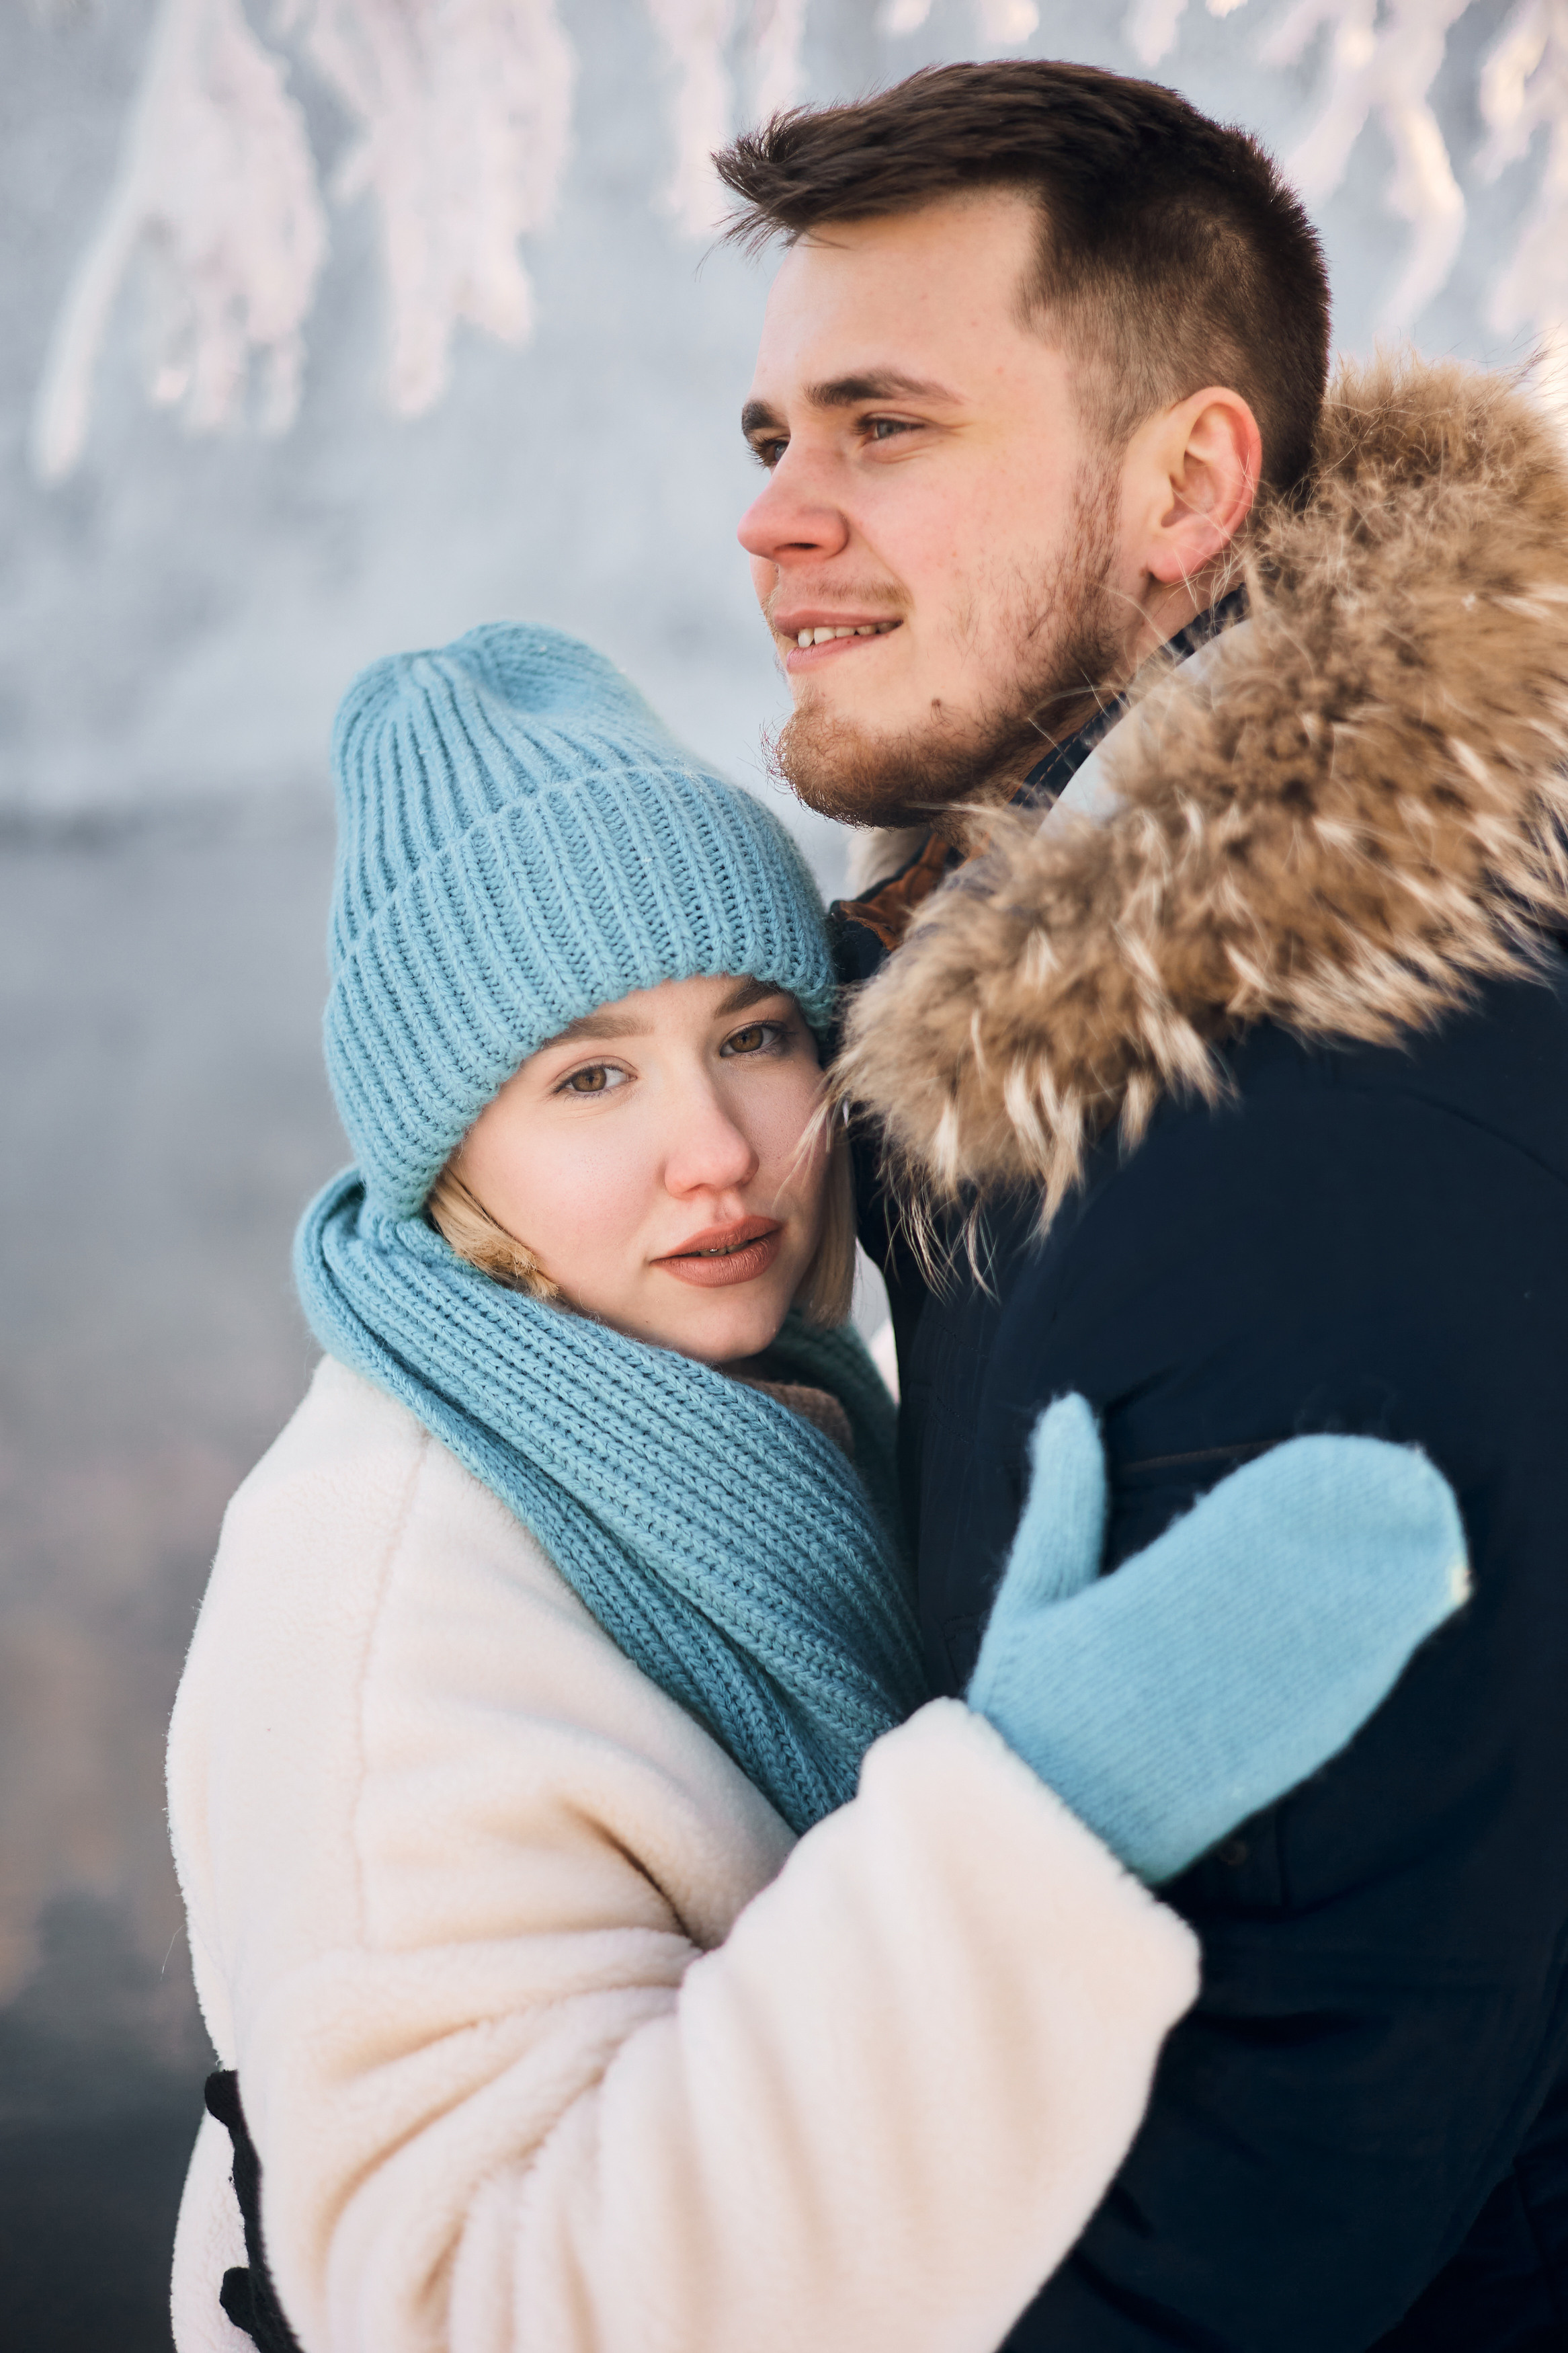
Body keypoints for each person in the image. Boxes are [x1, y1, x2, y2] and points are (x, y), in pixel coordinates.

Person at [167, 623, 1464, 2353]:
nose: (714, 1148)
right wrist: (1039, 1817)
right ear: (443, 1150)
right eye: (592, 1075)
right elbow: (469, 2313)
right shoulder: (383, 1609)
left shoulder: (751, 1406)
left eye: (756, 1033)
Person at [719, 56, 1568, 2351]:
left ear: (1188, 482)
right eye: (768, 440)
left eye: (881, 428)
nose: (776, 517)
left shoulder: (1301, 1102)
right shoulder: (1127, 1008)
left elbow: (1282, 2140)